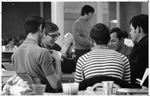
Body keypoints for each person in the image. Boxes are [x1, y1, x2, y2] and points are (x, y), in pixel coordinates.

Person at [11, 15, 62, 92]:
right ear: (41, 28)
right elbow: (55, 85)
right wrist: (58, 60)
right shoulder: (43, 52)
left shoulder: (15, 54)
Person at [129, 14, 148, 88]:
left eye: (131, 29)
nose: (130, 32)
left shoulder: (140, 47)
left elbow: (131, 72)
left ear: (138, 29)